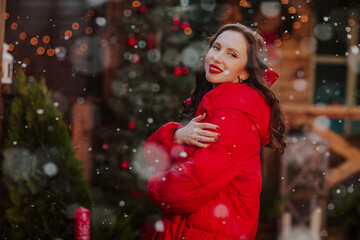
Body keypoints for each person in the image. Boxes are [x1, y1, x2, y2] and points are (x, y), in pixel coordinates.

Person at [144, 23, 286, 240]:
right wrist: (175, 134)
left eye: (232, 54)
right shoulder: (213, 105)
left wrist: (154, 183)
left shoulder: (232, 116)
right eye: (216, 48)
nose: (217, 58)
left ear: (245, 73)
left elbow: (179, 191)